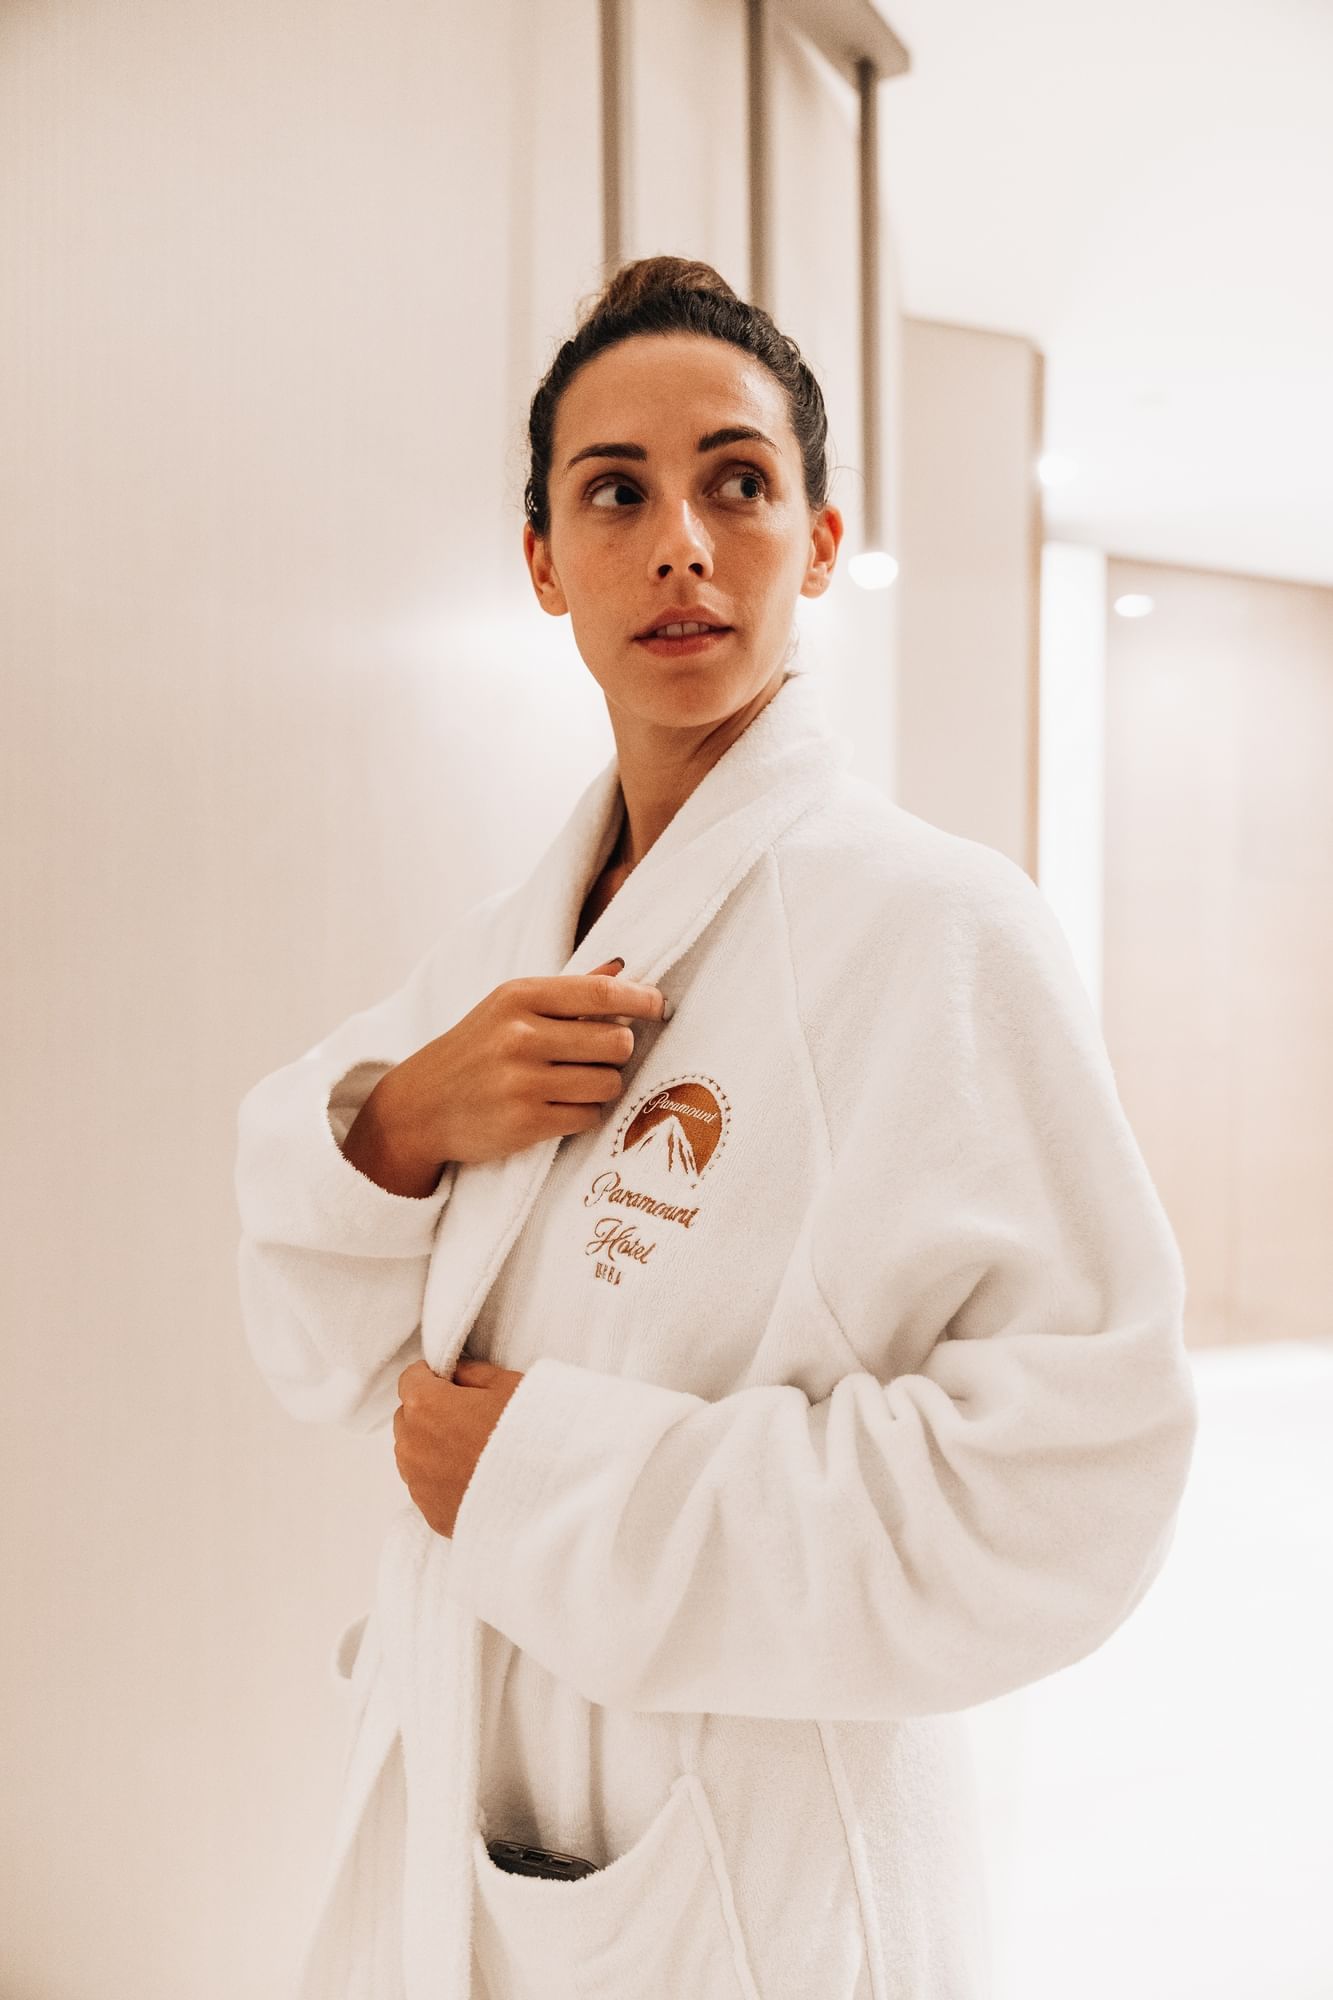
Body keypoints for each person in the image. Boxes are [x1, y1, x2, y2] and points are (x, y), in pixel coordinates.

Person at [234, 255, 1198, 2000]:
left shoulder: (934, 931)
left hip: (739, 1856)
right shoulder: (519, 941)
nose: (678, 538)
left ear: (817, 541)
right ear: (546, 563)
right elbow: (311, 1339)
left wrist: (547, 1482)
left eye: (736, 482)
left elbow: (1072, 1482)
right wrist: (396, 1128)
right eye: (616, 491)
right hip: (488, 1789)